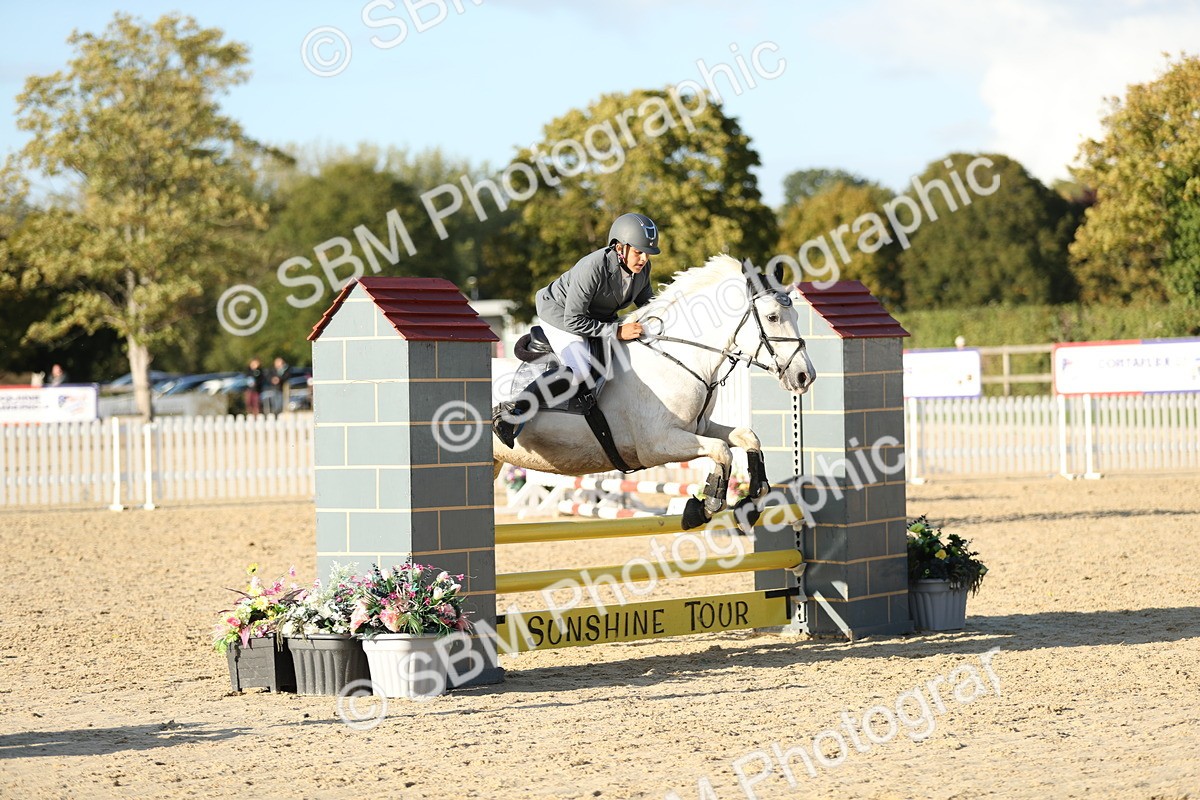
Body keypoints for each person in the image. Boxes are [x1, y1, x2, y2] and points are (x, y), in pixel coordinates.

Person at [493, 212, 660, 447]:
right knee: (580, 369)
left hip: (594, 317)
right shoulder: (593, 266)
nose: (643, 259)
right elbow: (574, 320)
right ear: (620, 248)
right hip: (561, 314)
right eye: (638, 252)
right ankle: (513, 411)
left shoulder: (642, 271)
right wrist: (617, 331)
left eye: (647, 253)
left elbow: (648, 306)